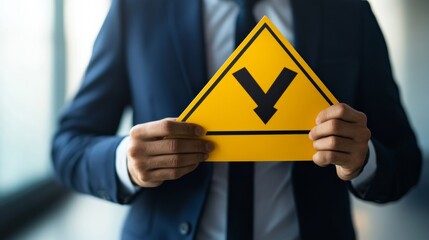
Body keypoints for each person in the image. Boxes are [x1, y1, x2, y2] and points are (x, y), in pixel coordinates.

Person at [52, 0, 421, 239]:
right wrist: (125, 162)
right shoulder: (138, 9)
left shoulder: (347, 11)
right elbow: (69, 144)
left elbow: (404, 157)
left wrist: (365, 159)